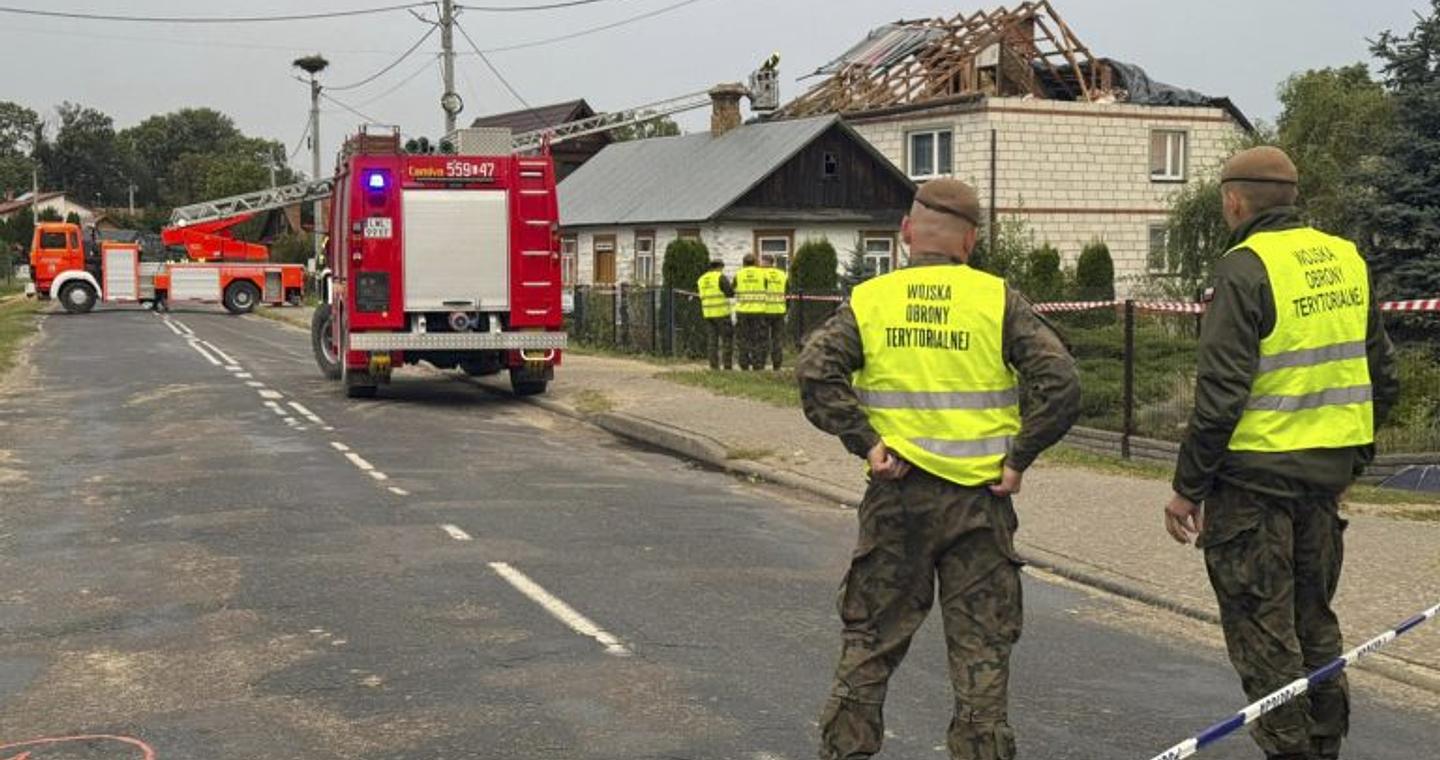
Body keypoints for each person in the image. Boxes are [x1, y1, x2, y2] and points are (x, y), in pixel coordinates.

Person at [797, 178, 1080, 760]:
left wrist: (866, 443)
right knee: (981, 657)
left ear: (906, 233)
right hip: (979, 504)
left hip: (896, 496)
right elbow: (1061, 384)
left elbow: (815, 371)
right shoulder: (996, 300)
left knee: (869, 645)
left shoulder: (872, 300)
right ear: (970, 243)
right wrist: (1019, 457)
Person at [1162, 146, 1399, 760]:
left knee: (1267, 641)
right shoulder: (1347, 259)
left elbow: (1219, 398)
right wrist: (1352, 462)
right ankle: (1325, 748)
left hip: (1252, 492)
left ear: (1235, 200)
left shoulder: (1243, 268)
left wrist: (1187, 488)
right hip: (1323, 486)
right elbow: (1383, 375)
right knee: (1314, 624)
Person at [696, 260, 735, 370]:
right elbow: (730, 292)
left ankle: (714, 366)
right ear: (720, 267)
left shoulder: (701, 279)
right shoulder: (720, 277)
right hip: (721, 313)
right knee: (727, 340)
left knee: (712, 341)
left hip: (708, 314)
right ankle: (727, 366)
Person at [734, 253, 769, 371]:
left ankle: (744, 364)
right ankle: (757, 364)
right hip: (758, 310)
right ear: (755, 262)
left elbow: (733, 288)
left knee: (743, 338)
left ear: (743, 263)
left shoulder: (738, 274)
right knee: (757, 338)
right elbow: (766, 287)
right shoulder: (762, 274)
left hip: (742, 311)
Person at [762, 255, 789, 370]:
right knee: (777, 340)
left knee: (763, 338)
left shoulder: (762, 274)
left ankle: (761, 363)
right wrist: (787, 309)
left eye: (763, 262)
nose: (761, 264)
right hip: (779, 310)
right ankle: (777, 365)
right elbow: (788, 293)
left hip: (765, 310)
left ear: (766, 262)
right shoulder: (783, 275)